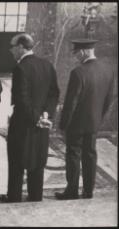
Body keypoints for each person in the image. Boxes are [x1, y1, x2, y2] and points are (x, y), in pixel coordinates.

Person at [0, 33, 59, 203]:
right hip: (42, 124)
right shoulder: (47, 65)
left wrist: (36, 118)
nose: (11, 50)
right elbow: (54, 93)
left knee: (17, 163)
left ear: (21, 47)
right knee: (37, 163)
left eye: (12, 46)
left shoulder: (20, 68)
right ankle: (35, 197)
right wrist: (46, 114)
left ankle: (14, 197)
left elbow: (22, 99)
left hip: (23, 124)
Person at [55, 39, 115, 200]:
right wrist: (98, 118)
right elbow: (109, 99)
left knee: (73, 155)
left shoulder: (78, 72)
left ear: (83, 52)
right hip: (94, 122)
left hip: (76, 124)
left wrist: (63, 124)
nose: (76, 57)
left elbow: (71, 102)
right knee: (90, 155)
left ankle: (72, 191)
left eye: (76, 53)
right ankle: (88, 191)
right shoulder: (108, 70)